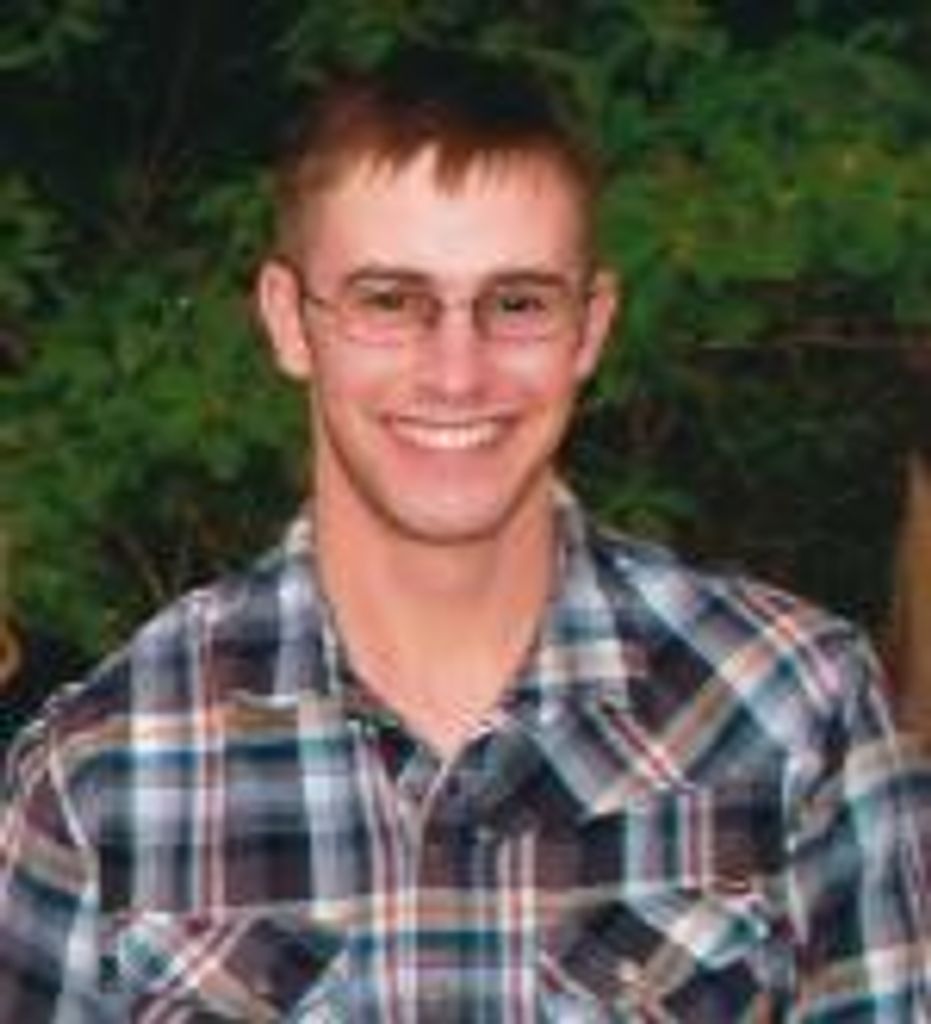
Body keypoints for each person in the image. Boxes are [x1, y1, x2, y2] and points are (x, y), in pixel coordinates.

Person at [1, 45, 928, 1022]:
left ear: (590, 325)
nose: (456, 372)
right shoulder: (103, 770)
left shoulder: (791, 713)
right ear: (288, 320)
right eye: (389, 302)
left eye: (516, 303)